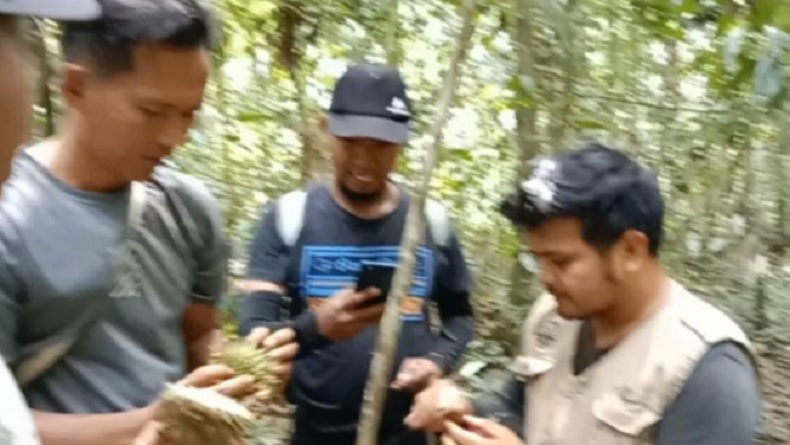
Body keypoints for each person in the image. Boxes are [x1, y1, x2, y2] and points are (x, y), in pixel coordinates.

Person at [0, 1, 298, 445]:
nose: (174, 138)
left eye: (189, 114)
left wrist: (243, 368)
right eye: (152, 111)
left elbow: (199, 336)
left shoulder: (188, 207)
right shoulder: (11, 219)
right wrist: (156, 420)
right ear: (76, 87)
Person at [404, 143, 761, 445]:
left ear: (630, 251)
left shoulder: (709, 370)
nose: (545, 278)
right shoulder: (553, 316)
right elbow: (518, 407)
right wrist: (466, 408)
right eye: (538, 259)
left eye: (561, 261)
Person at [238, 62, 475, 445]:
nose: (364, 161)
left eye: (381, 146)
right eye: (351, 142)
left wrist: (436, 362)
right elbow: (255, 335)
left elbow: (460, 318)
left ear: (402, 144)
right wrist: (316, 327)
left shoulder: (430, 221)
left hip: (410, 435)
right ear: (326, 131)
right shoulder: (288, 217)